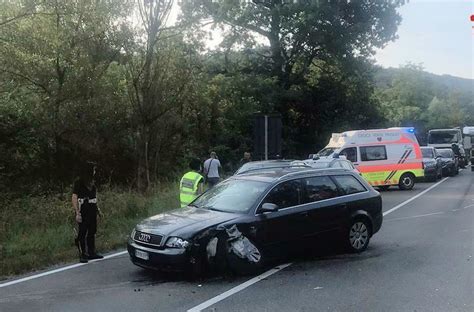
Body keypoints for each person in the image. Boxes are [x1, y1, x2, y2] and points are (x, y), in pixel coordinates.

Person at [72, 162, 103, 263]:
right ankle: (83, 254)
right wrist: (77, 212)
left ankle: (91, 252)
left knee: (92, 230)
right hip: (83, 208)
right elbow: (74, 197)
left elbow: (94, 197)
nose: (94, 171)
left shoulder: (92, 183)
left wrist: (98, 210)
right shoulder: (79, 182)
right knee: (82, 231)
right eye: (93, 170)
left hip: (92, 208)